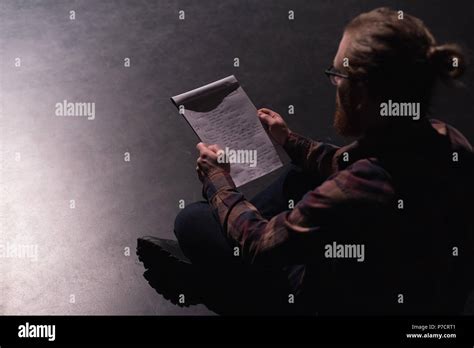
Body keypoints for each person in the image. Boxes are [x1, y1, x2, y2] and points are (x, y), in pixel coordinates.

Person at [138, 7, 474, 315]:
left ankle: (218, 281)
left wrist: (218, 181)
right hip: (414, 288)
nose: (334, 85)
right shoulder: (448, 139)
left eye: (337, 75)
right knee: (298, 177)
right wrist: (288, 140)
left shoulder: (363, 189)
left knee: (192, 220)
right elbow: (345, 164)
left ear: (362, 93)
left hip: (334, 303)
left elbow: (261, 244)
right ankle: (221, 255)